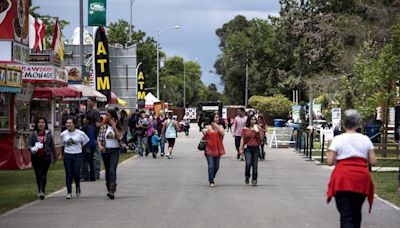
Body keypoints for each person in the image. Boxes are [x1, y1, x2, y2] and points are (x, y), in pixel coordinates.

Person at [326, 109, 377, 228]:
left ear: (343, 123)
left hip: (342, 179)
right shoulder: (365, 139)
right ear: (358, 123)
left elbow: (330, 162)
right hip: (361, 179)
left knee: (346, 216)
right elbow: (373, 161)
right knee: (356, 213)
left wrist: (330, 154)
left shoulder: (338, 139)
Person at [28, 117, 57, 200]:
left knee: (43, 173)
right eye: (39, 122)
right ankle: (39, 189)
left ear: (45, 124)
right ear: (37, 124)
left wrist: (54, 156)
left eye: (43, 122)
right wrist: (32, 148)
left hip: (46, 156)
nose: (41, 124)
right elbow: (29, 145)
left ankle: (42, 191)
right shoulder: (33, 134)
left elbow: (52, 146)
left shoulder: (48, 133)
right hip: (36, 157)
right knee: (37, 174)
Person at [61, 117, 90, 199]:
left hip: (77, 155)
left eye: (70, 123)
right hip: (67, 155)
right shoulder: (63, 134)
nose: (68, 124)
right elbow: (63, 145)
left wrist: (81, 148)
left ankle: (77, 185)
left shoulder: (80, 133)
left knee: (76, 173)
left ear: (74, 124)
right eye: (67, 123)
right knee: (68, 174)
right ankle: (69, 192)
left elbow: (86, 141)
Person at [97, 109, 123, 199]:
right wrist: (100, 145)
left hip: (114, 151)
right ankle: (108, 187)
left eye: (107, 115)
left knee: (112, 169)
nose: (106, 117)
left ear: (112, 116)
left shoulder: (118, 127)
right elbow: (99, 138)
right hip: (105, 151)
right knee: (107, 170)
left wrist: (114, 126)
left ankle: (112, 189)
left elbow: (119, 137)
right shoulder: (104, 127)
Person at [239, 115, 264, 186]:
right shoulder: (245, 129)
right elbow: (242, 139)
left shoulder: (258, 128)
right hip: (248, 148)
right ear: (249, 120)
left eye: (254, 120)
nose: (253, 121)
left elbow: (261, 138)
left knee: (255, 165)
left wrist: (259, 130)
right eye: (252, 120)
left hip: (256, 148)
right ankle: (247, 176)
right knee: (248, 163)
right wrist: (241, 148)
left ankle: (254, 179)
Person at [202, 113, 225, 187]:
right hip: (209, 149)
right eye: (216, 117)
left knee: (216, 166)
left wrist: (216, 126)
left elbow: (222, 133)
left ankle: (212, 176)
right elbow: (204, 135)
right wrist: (204, 131)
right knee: (211, 165)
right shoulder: (207, 127)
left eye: (218, 117)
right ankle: (211, 180)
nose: (217, 119)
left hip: (218, 149)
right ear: (212, 118)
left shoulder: (220, 126)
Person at [86, 98, 101, 180]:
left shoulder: (95, 112)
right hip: (87, 135)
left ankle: (96, 172)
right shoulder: (87, 111)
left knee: (95, 155)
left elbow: (98, 124)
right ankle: (89, 172)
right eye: (87, 101)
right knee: (89, 155)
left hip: (94, 135)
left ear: (93, 102)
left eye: (89, 101)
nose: (87, 103)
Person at [81, 115, 97, 181]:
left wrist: (87, 146)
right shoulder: (94, 127)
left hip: (87, 145)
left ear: (87, 120)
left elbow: (86, 137)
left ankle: (85, 176)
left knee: (84, 161)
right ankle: (93, 176)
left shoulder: (85, 127)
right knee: (91, 161)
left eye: (85, 118)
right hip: (93, 145)